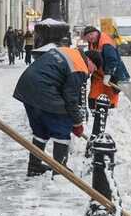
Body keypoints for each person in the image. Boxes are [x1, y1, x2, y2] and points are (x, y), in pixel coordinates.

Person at [13, 47, 102, 176]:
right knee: (62, 127)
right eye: (93, 69)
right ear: (90, 61)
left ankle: (34, 166)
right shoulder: (79, 67)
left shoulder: (69, 52)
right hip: (43, 89)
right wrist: (77, 123)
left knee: (40, 130)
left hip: (26, 87)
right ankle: (60, 169)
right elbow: (71, 99)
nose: (90, 73)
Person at [82, 26, 131, 109]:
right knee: (93, 97)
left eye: (91, 34)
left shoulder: (106, 43)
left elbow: (112, 60)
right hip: (99, 74)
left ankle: (111, 111)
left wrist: (108, 74)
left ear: (97, 32)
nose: (90, 37)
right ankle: (95, 110)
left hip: (112, 74)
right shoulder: (92, 41)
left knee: (109, 96)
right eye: (87, 36)